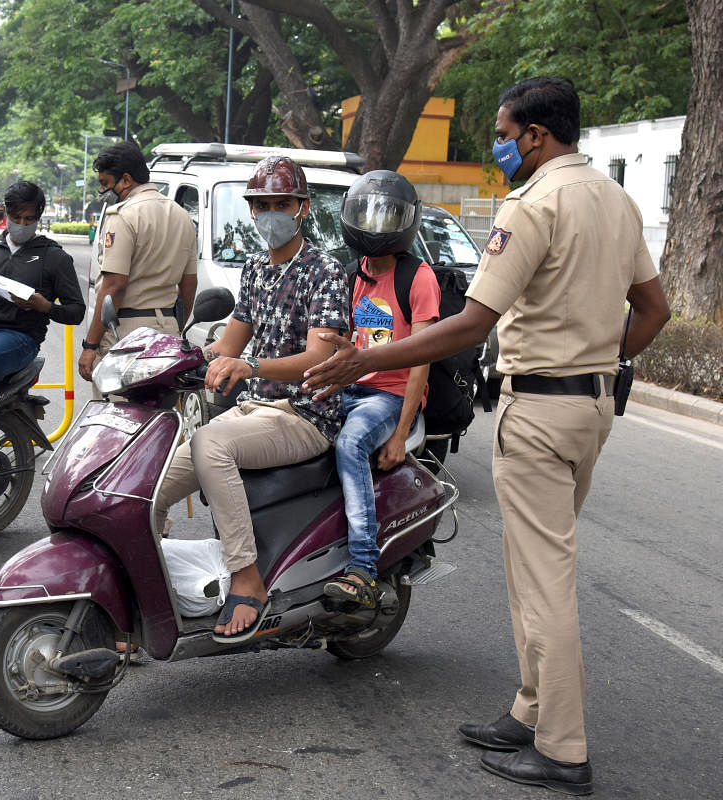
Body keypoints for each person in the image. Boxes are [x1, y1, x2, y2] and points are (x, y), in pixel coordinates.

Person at [302, 77, 670, 795]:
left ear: (535, 134)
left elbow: (472, 324)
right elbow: (653, 310)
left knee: (545, 581)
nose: (499, 145)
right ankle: (530, 711)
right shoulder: (616, 200)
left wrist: (365, 357)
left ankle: (562, 747)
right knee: (534, 568)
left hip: (539, 411)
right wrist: (600, 359)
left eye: (504, 131)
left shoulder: (533, 205)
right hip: (590, 409)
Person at [152, 155, 348, 643]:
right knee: (147, 482)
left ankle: (246, 575)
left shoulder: (324, 270)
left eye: (282, 203)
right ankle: (143, 590)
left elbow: (319, 356)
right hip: (257, 409)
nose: (271, 213)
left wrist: (251, 367)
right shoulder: (258, 267)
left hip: (305, 414)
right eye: (262, 204)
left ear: (302, 208)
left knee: (210, 444)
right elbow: (230, 343)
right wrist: (168, 358)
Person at [325, 171, 440, 607]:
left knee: (350, 444)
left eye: (386, 216)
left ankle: (363, 566)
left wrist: (399, 433)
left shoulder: (418, 277)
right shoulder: (355, 273)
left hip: (389, 396)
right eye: (366, 215)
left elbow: (420, 359)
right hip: (351, 387)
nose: (374, 225)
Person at [0, 182, 84, 492]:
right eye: (17, 217)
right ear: (5, 214)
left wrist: (44, 306)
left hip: (19, 338)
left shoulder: (53, 257)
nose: (22, 225)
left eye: (29, 219)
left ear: (38, 218)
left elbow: (76, 312)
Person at [78, 142, 196, 389]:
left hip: (126, 334)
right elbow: (189, 284)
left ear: (127, 179)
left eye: (105, 183)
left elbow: (114, 286)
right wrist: (176, 326)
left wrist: (90, 345)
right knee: (158, 414)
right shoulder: (182, 216)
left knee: (120, 416)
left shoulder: (122, 215)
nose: (102, 191)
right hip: (168, 332)